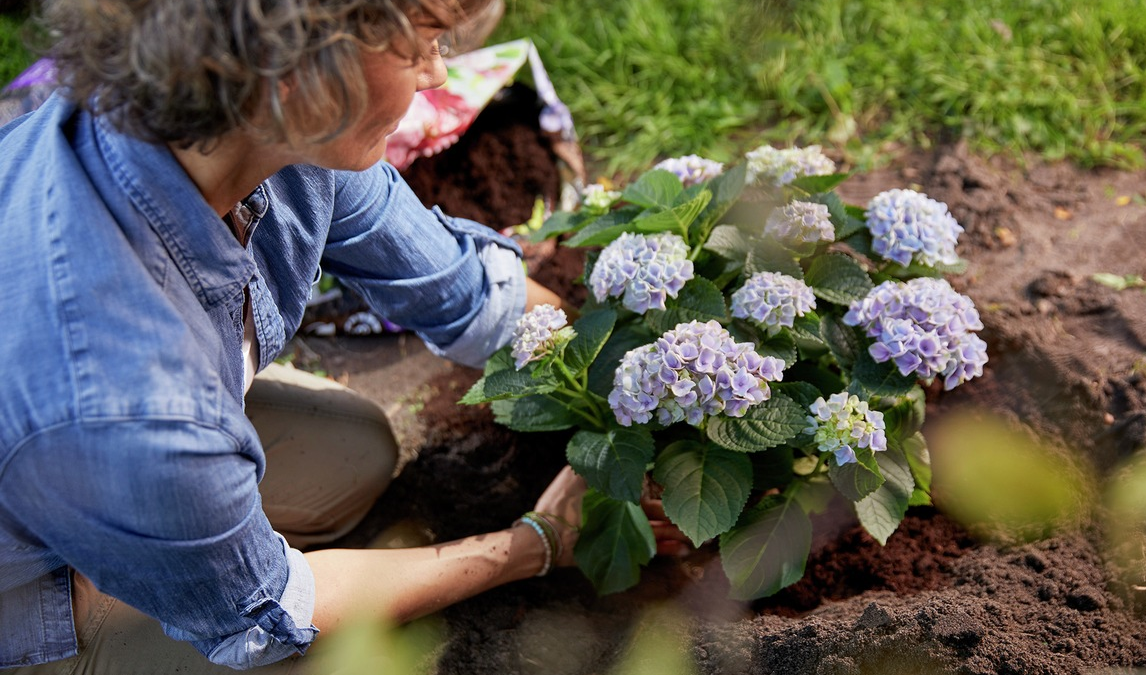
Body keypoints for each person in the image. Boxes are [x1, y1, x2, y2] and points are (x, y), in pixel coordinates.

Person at [0, 0, 682, 672]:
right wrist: (535, 540)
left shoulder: (268, 137)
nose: (439, 76)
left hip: (97, 451)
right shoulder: (130, 390)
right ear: (296, 69)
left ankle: (151, 529)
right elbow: (271, 614)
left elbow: (469, 295)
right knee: (333, 656)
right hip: (27, 592)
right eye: (421, 46)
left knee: (356, 452)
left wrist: (636, 386)